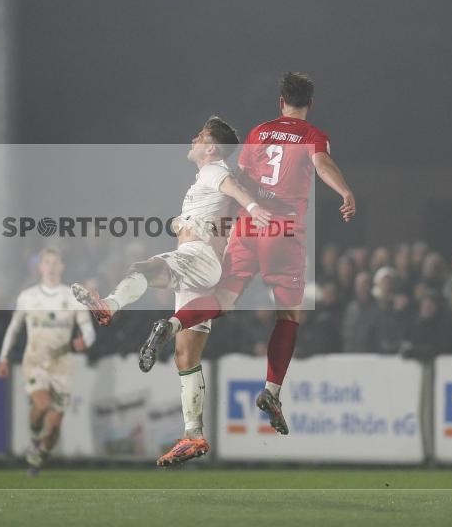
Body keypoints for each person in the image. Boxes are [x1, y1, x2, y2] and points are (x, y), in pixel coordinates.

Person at [152, 73, 355, 435]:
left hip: (247, 226)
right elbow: (322, 164)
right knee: (288, 315)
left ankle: (173, 323)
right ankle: (272, 390)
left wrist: (217, 225)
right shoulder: (312, 135)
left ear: (280, 102)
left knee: (224, 298)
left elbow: (238, 181)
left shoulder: (260, 132)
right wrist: (345, 192)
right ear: (309, 104)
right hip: (284, 230)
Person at [71, 116, 270, 466]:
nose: (193, 139)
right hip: (204, 268)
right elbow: (224, 204)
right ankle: (194, 436)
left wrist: (254, 208)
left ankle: (110, 306)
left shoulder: (214, 170)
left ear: (210, 146)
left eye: (200, 135)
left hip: (198, 258)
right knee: (186, 357)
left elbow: (232, 188)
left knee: (142, 269)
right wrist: (182, 223)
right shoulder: (203, 179)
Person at [0, 247, 95, 475]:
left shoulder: (72, 296)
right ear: (40, 267)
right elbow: (14, 329)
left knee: (54, 424)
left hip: (62, 364)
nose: (51, 267)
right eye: (47, 263)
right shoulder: (28, 297)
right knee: (42, 405)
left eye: (55, 263)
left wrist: (83, 342)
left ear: (62, 267)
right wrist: (3, 357)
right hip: (35, 361)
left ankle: (39, 455)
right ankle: (34, 437)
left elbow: (89, 331)